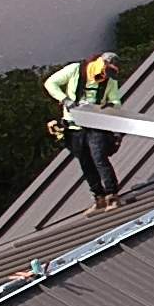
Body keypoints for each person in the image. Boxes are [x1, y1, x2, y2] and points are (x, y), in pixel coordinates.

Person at [42, 50, 123, 203]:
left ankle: (112, 194)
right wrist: (65, 100)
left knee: (99, 158)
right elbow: (50, 83)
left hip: (95, 125)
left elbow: (116, 101)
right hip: (74, 126)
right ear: (99, 64)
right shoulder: (75, 70)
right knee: (85, 161)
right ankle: (98, 196)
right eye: (104, 72)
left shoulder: (109, 81)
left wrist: (106, 107)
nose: (104, 77)